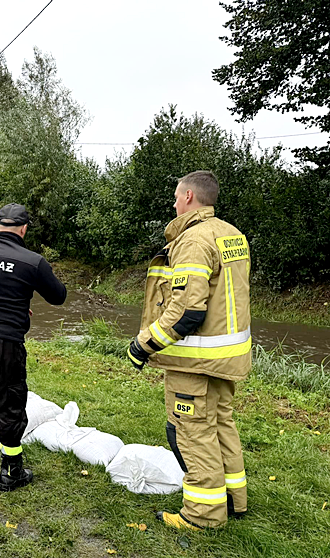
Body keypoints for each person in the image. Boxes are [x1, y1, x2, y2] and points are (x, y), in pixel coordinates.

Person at [127, 171, 251, 531]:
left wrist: (144, 344)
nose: (174, 202)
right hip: (227, 357)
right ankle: (233, 500)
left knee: (192, 431)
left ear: (190, 198)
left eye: (178, 196)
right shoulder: (232, 235)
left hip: (194, 360)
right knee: (221, 423)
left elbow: (188, 310)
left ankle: (202, 515)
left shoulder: (193, 240)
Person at [0, 204, 67, 492]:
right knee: (10, 403)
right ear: (23, 229)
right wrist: (19, 302)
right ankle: (11, 471)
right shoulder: (32, 261)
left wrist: (9, 302)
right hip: (4, 342)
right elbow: (58, 296)